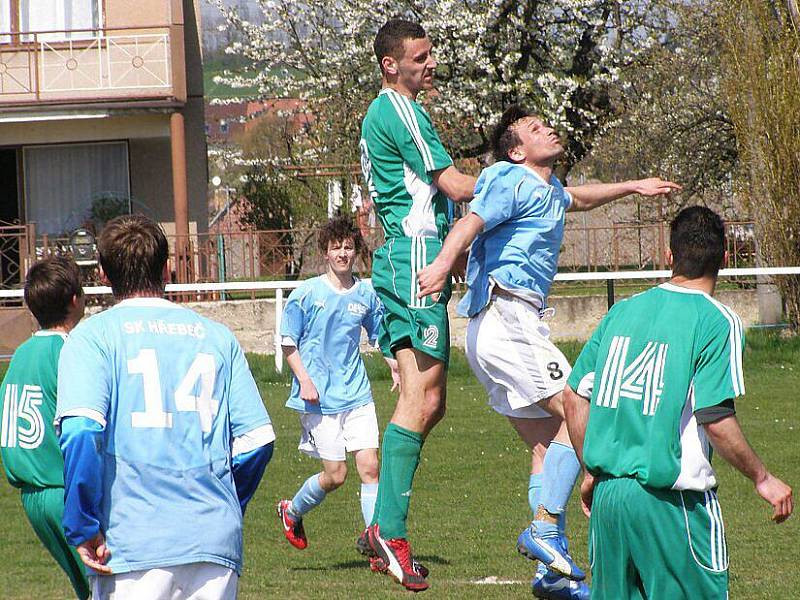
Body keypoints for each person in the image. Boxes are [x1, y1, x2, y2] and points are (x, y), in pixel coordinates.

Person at [416, 104, 680, 599]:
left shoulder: (548, 189)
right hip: (505, 316)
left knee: (546, 447)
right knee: (582, 405)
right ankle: (546, 529)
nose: (550, 128)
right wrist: (442, 264)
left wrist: (632, 185)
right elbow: (470, 223)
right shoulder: (509, 178)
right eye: (535, 128)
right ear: (517, 151)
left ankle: (550, 574)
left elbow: (577, 198)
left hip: (498, 328)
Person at [562, 206, 793, 599]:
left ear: (669, 256)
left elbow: (573, 395)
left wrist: (589, 472)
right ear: (722, 259)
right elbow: (715, 417)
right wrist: (763, 478)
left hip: (609, 501)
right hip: (672, 506)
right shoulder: (716, 320)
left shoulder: (621, 312)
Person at [55, 214, 275, 600]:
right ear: (167, 268)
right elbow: (257, 439)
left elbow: (81, 431)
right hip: (213, 545)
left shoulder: (91, 338)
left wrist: (83, 524)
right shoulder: (217, 336)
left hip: (132, 545)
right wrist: (220, 499)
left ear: (104, 274)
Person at [357, 18, 477, 591]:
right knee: (422, 398)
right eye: (421, 57)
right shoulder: (399, 110)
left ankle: (382, 525)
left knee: (429, 400)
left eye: (432, 55)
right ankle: (391, 531)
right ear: (391, 65)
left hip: (405, 259)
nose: (431, 64)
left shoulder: (392, 113)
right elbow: (454, 186)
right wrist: (519, 178)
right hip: (414, 258)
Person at [276, 217, 398, 553]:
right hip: (319, 399)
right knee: (336, 475)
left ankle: (377, 542)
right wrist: (304, 380)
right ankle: (292, 511)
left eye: (348, 247)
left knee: (370, 466)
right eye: (336, 248)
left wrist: (392, 362)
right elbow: (288, 342)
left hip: (356, 393)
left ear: (355, 250)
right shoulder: (307, 294)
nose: (342, 253)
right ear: (325, 253)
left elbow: (378, 334)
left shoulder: (366, 293)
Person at [0, 257, 90, 600]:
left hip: (31, 495)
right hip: (64, 490)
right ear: (74, 299)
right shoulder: (69, 352)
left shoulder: (20, 355)